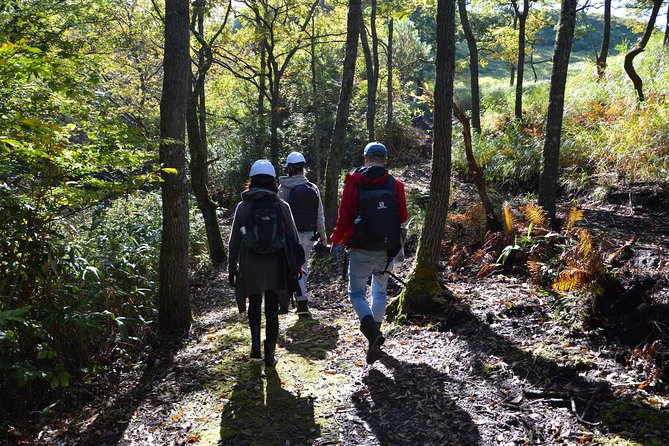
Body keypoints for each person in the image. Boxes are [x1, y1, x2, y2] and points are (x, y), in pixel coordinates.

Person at [330, 142, 408, 364]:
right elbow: (402, 216)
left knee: (356, 294)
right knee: (380, 292)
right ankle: (375, 334)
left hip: (360, 248)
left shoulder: (354, 182)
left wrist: (336, 239)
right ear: (385, 160)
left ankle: (372, 334)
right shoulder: (396, 185)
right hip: (386, 248)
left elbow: (344, 215)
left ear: (365, 158)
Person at [228, 159, 300, 366]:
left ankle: (255, 346)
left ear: (251, 181)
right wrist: (295, 266)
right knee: (271, 307)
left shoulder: (243, 206)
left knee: (254, 303)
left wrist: (231, 268)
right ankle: (270, 354)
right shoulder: (281, 205)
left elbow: (234, 241)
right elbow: (294, 238)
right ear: (273, 181)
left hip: (250, 264)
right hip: (276, 265)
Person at [278, 151, 327, 317]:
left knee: (286, 266)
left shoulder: (283, 188)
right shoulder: (312, 187)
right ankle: (302, 301)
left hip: (289, 235)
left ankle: (284, 302)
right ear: (303, 168)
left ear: (289, 168)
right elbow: (319, 212)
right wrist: (322, 234)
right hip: (308, 234)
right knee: (302, 266)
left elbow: (279, 213)